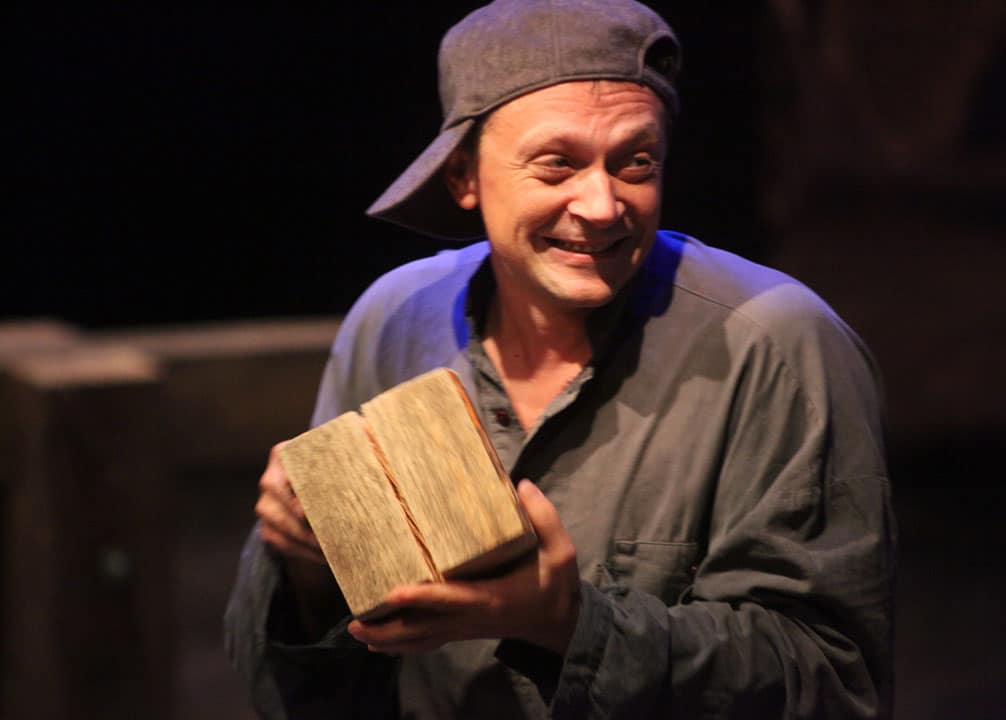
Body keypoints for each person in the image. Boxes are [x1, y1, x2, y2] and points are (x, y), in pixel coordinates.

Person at [225, 0, 897, 717]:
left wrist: (567, 625)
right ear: (463, 176)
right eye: (557, 165)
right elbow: (307, 691)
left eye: (635, 162)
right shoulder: (394, 322)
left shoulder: (776, 347)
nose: (603, 205)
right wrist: (307, 571)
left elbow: (834, 685)